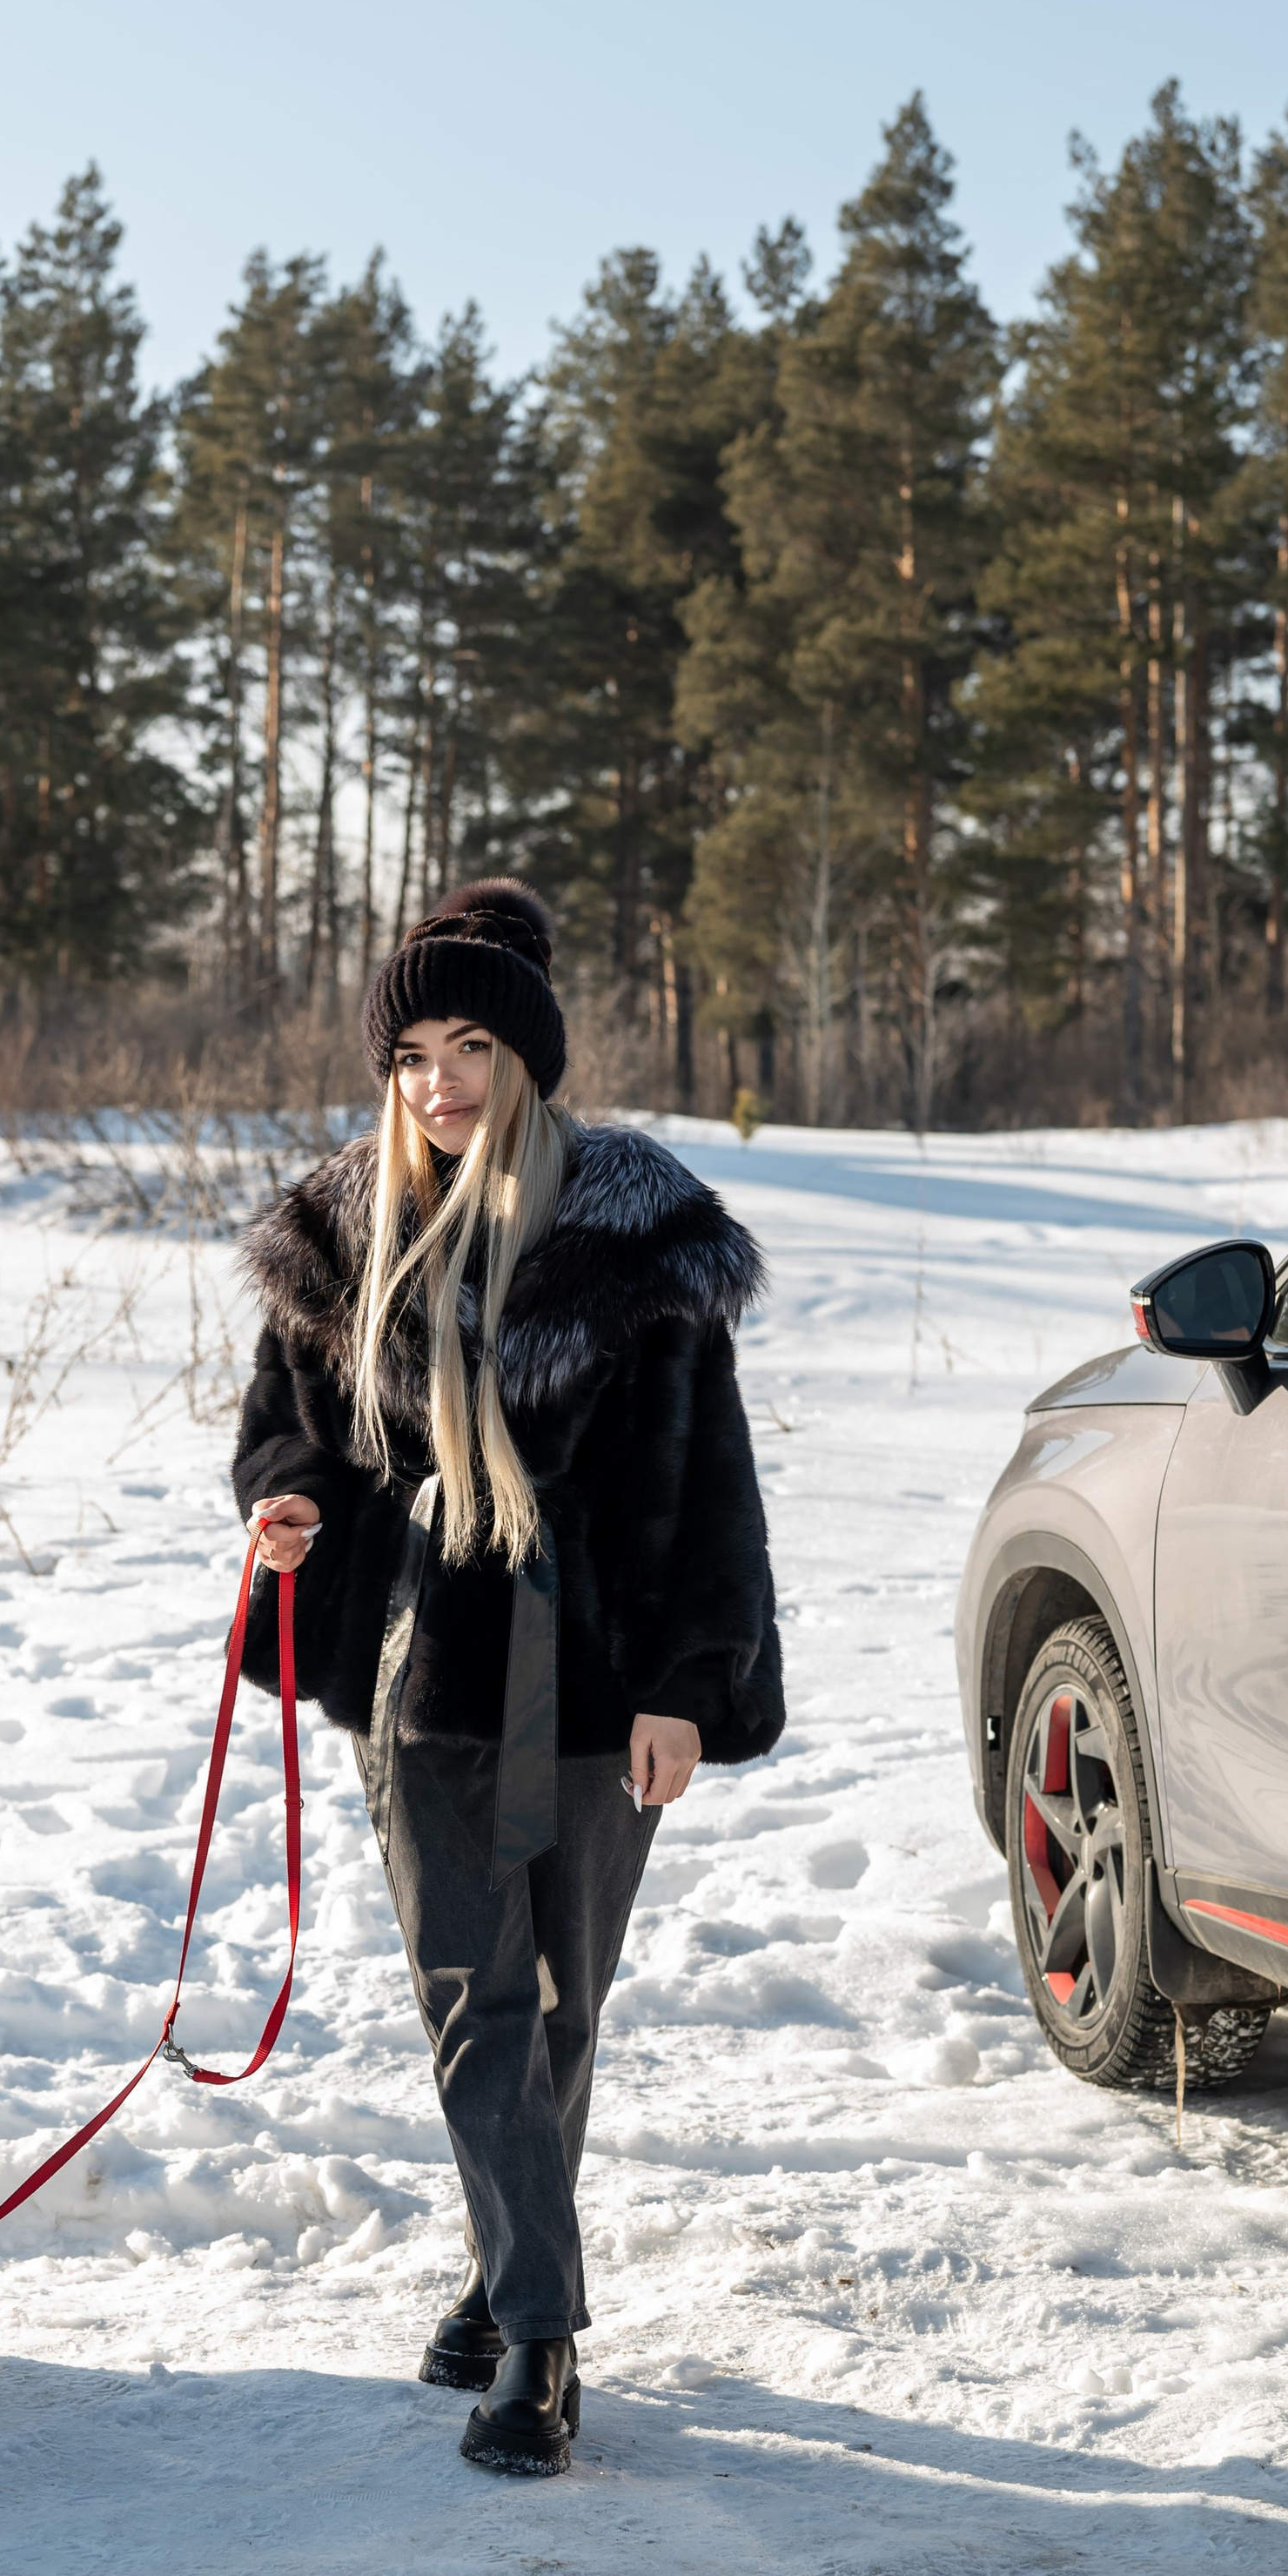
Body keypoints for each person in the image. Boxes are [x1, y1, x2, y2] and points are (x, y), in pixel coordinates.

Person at [232, 879, 782, 2476]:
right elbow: (291, 1428)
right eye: (411, 1048)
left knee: (563, 2003)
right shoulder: (344, 1224)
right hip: (421, 1672)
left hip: (604, 1680)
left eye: (471, 1041)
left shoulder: (636, 1225)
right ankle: (541, 2339)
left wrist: (689, 1677)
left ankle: (495, 2272)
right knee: (473, 1993)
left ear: (528, 1055)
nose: (439, 1079)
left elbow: (708, 1480)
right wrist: (286, 1499)